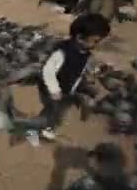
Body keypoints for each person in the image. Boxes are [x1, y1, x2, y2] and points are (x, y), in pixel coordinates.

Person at [19, 14, 111, 145]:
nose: (97, 44)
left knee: (55, 110)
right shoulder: (62, 52)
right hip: (50, 90)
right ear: (79, 38)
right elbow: (48, 70)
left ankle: (46, 127)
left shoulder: (84, 51)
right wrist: (54, 89)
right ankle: (32, 129)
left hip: (66, 88)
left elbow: (81, 66)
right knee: (51, 110)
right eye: (95, 41)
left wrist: (93, 71)